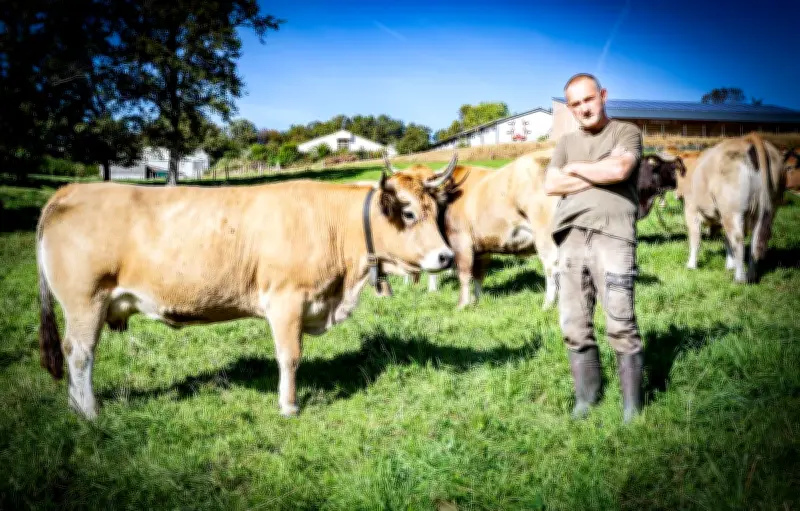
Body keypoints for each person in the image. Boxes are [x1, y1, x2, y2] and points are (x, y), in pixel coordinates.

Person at [544, 73, 645, 423]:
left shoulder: (625, 132)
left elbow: (619, 169)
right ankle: (586, 399)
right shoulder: (566, 143)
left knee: (620, 319)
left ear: (602, 95)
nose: (583, 108)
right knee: (573, 322)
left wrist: (576, 170)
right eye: (575, 104)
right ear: (569, 108)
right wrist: (593, 169)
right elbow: (551, 183)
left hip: (613, 234)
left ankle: (631, 407)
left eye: (588, 99)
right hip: (570, 236)